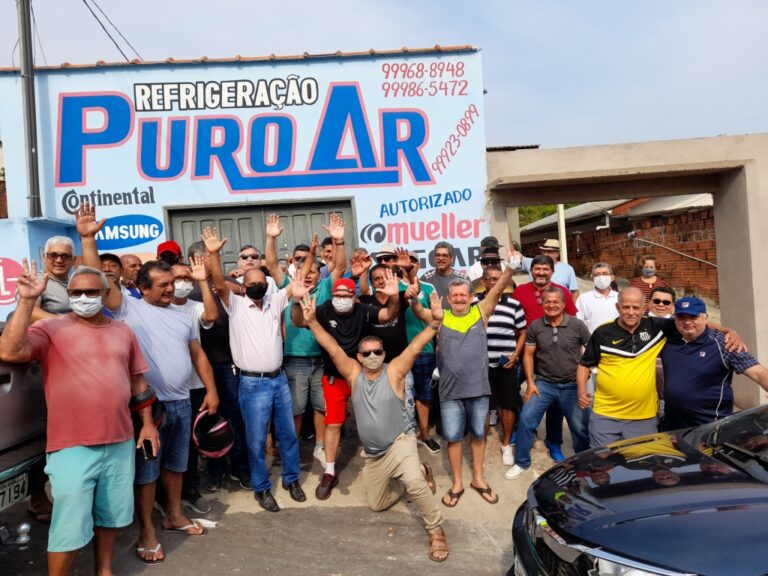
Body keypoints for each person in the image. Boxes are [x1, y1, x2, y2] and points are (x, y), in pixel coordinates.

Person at [0, 260, 159, 575]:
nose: (83, 297)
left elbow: (137, 382)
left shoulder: (123, 331)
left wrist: (148, 425)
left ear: (103, 293)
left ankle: (104, 569)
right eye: (76, 292)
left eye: (90, 291)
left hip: (119, 440)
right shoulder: (51, 329)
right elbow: (9, 351)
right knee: (68, 526)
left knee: (110, 515)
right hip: (71, 446)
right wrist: (28, 300)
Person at [300, 291, 449, 562]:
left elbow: (415, 347)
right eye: (366, 352)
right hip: (374, 455)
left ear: (383, 354)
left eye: (377, 351)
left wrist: (434, 324)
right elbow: (333, 348)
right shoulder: (354, 374)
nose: (372, 356)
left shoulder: (394, 371)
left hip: (400, 442)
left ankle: (435, 529)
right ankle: (416, 471)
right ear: (358, 357)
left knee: (416, 485)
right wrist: (312, 323)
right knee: (377, 504)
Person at [103, 248, 220, 560]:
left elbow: (197, 354)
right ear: (143, 288)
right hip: (148, 409)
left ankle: (173, 515)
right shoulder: (128, 308)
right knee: (147, 471)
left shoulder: (184, 315)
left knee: (177, 465)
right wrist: (88, 238)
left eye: (172, 283)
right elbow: (103, 283)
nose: (171, 288)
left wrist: (211, 390)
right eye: (163, 285)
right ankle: (147, 531)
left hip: (182, 402)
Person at [203, 226, 306, 512]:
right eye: (252, 283)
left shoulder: (275, 302)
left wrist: (272, 240)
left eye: (262, 281)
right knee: (256, 439)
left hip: (279, 380)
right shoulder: (234, 305)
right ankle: (261, 488)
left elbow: (296, 283)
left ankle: (291, 479)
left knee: (287, 435)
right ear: (243, 286)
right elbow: (217, 281)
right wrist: (213, 254)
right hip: (251, 384)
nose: (258, 286)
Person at [576, 288, 743, 447]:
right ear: (617, 307)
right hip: (605, 415)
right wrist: (581, 390)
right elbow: (584, 364)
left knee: (641, 467)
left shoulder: (657, 326)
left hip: (643, 418)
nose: (631, 312)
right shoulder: (602, 332)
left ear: (644, 308)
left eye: (636, 307)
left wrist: (728, 331)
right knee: (604, 466)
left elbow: (693, 322)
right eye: (626, 307)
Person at [291, 273, 400, 500]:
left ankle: (389, 464)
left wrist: (394, 298)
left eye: (346, 295)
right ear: (332, 296)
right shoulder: (324, 309)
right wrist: (295, 300)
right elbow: (298, 321)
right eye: (337, 295)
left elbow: (388, 314)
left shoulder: (363, 310)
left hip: (362, 375)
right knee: (334, 424)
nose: (341, 299)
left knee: (379, 419)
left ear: (354, 297)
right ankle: (330, 471)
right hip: (334, 377)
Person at [264, 213, 348, 467]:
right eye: (305, 270)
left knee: (321, 408)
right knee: (296, 410)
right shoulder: (289, 286)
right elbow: (270, 264)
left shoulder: (325, 287)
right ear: (297, 271)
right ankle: (293, 450)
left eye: (314, 270)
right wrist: (270, 238)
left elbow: (341, 267)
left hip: (322, 360)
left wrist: (339, 242)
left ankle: (320, 448)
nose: (309, 274)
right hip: (295, 361)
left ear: (320, 273)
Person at [436, 262, 514, 508]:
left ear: (471, 297)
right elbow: (418, 311)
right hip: (450, 392)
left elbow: (497, 289)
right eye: (455, 295)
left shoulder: (480, 312)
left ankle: (478, 479)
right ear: (448, 299)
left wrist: (510, 269)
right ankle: (458, 483)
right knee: (453, 438)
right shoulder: (441, 317)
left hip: (479, 390)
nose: (459, 298)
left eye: (463, 294)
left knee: (479, 435)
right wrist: (415, 300)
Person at [185, 241, 251, 492]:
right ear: (193, 261)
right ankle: (214, 470)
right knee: (208, 420)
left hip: (228, 365)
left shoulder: (228, 285)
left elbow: (248, 292)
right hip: (199, 366)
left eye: (213, 257)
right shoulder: (186, 290)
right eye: (203, 258)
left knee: (236, 418)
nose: (210, 262)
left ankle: (240, 468)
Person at [505, 287, 591, 480]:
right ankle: (522, 463)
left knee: (580, 427)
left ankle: (584, 464)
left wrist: (584, 379)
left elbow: (590, 350)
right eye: (547, 302)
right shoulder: (535, 326)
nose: (551, 305)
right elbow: (528, 355)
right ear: (542, 304)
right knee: (527, 419)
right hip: (544, 384)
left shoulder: (577, 325)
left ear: (563, 304)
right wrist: (530, 383)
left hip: (571, 385)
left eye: (556, 302)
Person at [660, 297, 768, 431]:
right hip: (671, 428)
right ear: (674, 319)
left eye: (693, 317)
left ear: (705, 318)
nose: (687, 322)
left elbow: (758, 373)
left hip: (710, 430)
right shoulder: (667, 338)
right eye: (681, 317)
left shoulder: (724, 343)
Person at [512, 254, 578, 462]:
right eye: (537, 269)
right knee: (514, 392)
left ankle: (554, 442)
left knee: (556, 403)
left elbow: (572, 322)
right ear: (531, 270)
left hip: (552, 355)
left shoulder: (562, 291)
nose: (541, 273)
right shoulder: (520, 291)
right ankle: (521, 430)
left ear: (552, 271)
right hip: (525, 352)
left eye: (545, 269)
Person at [169, 258, 218, 514]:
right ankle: (162, 497)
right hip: (164, 389)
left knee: (190, 443)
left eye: (187, 278)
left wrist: (202, 280)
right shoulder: (155, 308)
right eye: (178, 278)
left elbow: (210, 315)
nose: (182, 283)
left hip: (194, 386)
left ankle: (190, 490)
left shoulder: (194, 306)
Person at [474, 266, 527, 466]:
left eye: (500, 279)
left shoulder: (513, 304)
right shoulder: (474, 303)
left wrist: (515, 355)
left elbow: (522, 332)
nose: (496, 282)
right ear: (484, 281)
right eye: (492, 279)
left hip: (505, 365)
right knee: (483, 406)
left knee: (508, 405)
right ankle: (481, 442)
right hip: (480, 365)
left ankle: (506, 444)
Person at [513, 238, 579, 300]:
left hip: (557, 307)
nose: (546, 254)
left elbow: (574, 292)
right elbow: (516, 257)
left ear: (557, 254)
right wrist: (514, 251)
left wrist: (572, 310)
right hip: (535, 305)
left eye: (550, 252)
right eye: (544, 251)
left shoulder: (568, 269)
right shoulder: (533, 263)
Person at [576, 262, 619, 333]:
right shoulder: (583, 299)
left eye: (604, 273)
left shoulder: (620, 297)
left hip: (617, 341)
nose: (601, 277)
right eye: (597, 274)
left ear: (612, 277)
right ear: (593, 278)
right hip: (593, 341)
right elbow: (579, 322)